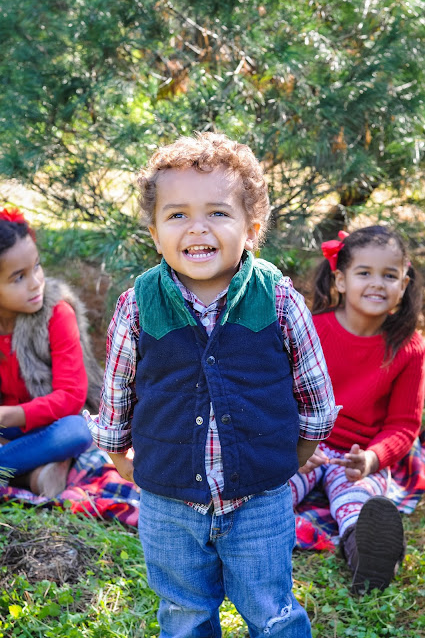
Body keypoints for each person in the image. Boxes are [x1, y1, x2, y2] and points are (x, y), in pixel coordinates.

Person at [87, 132, 339, 638]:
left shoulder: (279, 300)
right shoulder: (138, 305)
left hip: (259, 501)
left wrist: (292, 456)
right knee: (184, 612)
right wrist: (118, 455)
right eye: (177, 214)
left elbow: (315, 395)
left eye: (218, 213)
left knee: (271, 609)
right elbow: (117, 393)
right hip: (170, 503)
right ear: (156, 234)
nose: (197, 228)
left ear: (252, 228)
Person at [290, 226, 425, 594]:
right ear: (341, 279)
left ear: (404, 283)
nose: (377, 283)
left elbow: (403, 425)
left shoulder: (408, 347)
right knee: (272, 491)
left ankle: (368, 559)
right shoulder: (311, 331)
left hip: (355, 456)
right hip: (304, 446)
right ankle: (242, 533)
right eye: (365, 272)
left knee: (357, 504)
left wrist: (371, 459)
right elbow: (281, 396)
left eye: (390, 275)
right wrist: (295, 444)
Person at [0, 207, 102, 498]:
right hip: (12, 434)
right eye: (18, 277)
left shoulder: (56, 313)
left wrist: (9, 415)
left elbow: (71, 397)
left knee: (77, 432)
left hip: (53, 427)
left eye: (36, 266)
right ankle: (35, 475)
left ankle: (16, 463)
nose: (35, 282)